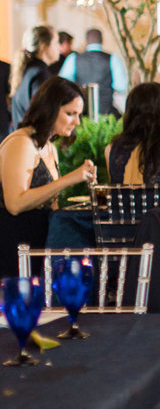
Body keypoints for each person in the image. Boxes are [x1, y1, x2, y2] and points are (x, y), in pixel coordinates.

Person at [0, 77, 95, 277]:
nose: (77, 121)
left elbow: (49, 203)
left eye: (78, 115)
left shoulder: (50, 146)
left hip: (39, 242)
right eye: (70, 114)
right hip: (15, 245)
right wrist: (70, 179)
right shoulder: (21, 143)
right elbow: (14, 203)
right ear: (50, 108)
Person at [59, 28, 128, 116]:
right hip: (106, 113)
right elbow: (121, 87)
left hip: (81, 113)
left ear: (86, 41)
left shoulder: (73, 58)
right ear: (102, 40)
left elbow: (62, 84)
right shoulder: (113, 58)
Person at [11, 25, 59, 127]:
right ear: (44, 46)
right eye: (56, 42)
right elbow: (43, 115)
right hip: (31, 139)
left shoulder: (27, 69)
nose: (59, 47)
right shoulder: (40, 74)